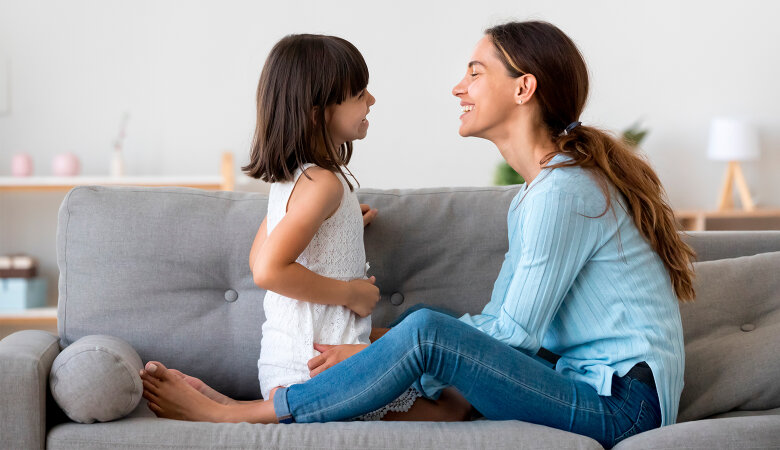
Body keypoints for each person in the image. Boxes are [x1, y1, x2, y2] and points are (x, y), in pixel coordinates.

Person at [141, 21, 696, 448]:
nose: (459, 86)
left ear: (524, 87)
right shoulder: (536, 194)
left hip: (622, 406)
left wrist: (383, 353)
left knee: (426, 330)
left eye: (476, 72)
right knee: (421, 334)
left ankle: (242, 413)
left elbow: (512, 336)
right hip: (587, 384)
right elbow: (502, 323)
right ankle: (269, 400)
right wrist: (382, 346)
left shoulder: (562, 191)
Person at [141, 33, 471, 423]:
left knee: (441, 377)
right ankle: (232, 414)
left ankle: (234, 405)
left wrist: (342, 227)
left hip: (293, 362)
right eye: (359, 93)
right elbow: (268, 270)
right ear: (318, 113)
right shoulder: (324, 185)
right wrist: (351, 293)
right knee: (453, 406)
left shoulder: (294, 182)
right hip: (319, 370)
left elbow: (258, 258)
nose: (372, 100)